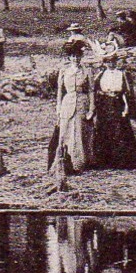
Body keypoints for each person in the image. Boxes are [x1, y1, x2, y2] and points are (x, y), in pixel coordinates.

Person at [47, 40, 95, 173]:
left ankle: (80, 162)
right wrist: (58, 106)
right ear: (69, 57)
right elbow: (60, 91)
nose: (75, 59)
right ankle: (64, 161)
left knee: (80, 131)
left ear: (81, 57)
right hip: (67, 103)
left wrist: (91, 108)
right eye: (73, 56)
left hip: (82, 102)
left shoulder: (87, 71)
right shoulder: (64, 71)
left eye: (78, 56)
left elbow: (91, 90)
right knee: (65, 131)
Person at [92, 49, 136, 169]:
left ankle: (122, 161)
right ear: (105, 62)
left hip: (118, 103)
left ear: (116, 61)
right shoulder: (100, 75)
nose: (111, 64)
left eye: (113, 61)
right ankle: (104, 161)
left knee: (120, 130)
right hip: (105, 105)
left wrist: (129, 110)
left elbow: (128, 93)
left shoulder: (122, 74)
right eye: (108, 61)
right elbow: (95, 91)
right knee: (104, 130)